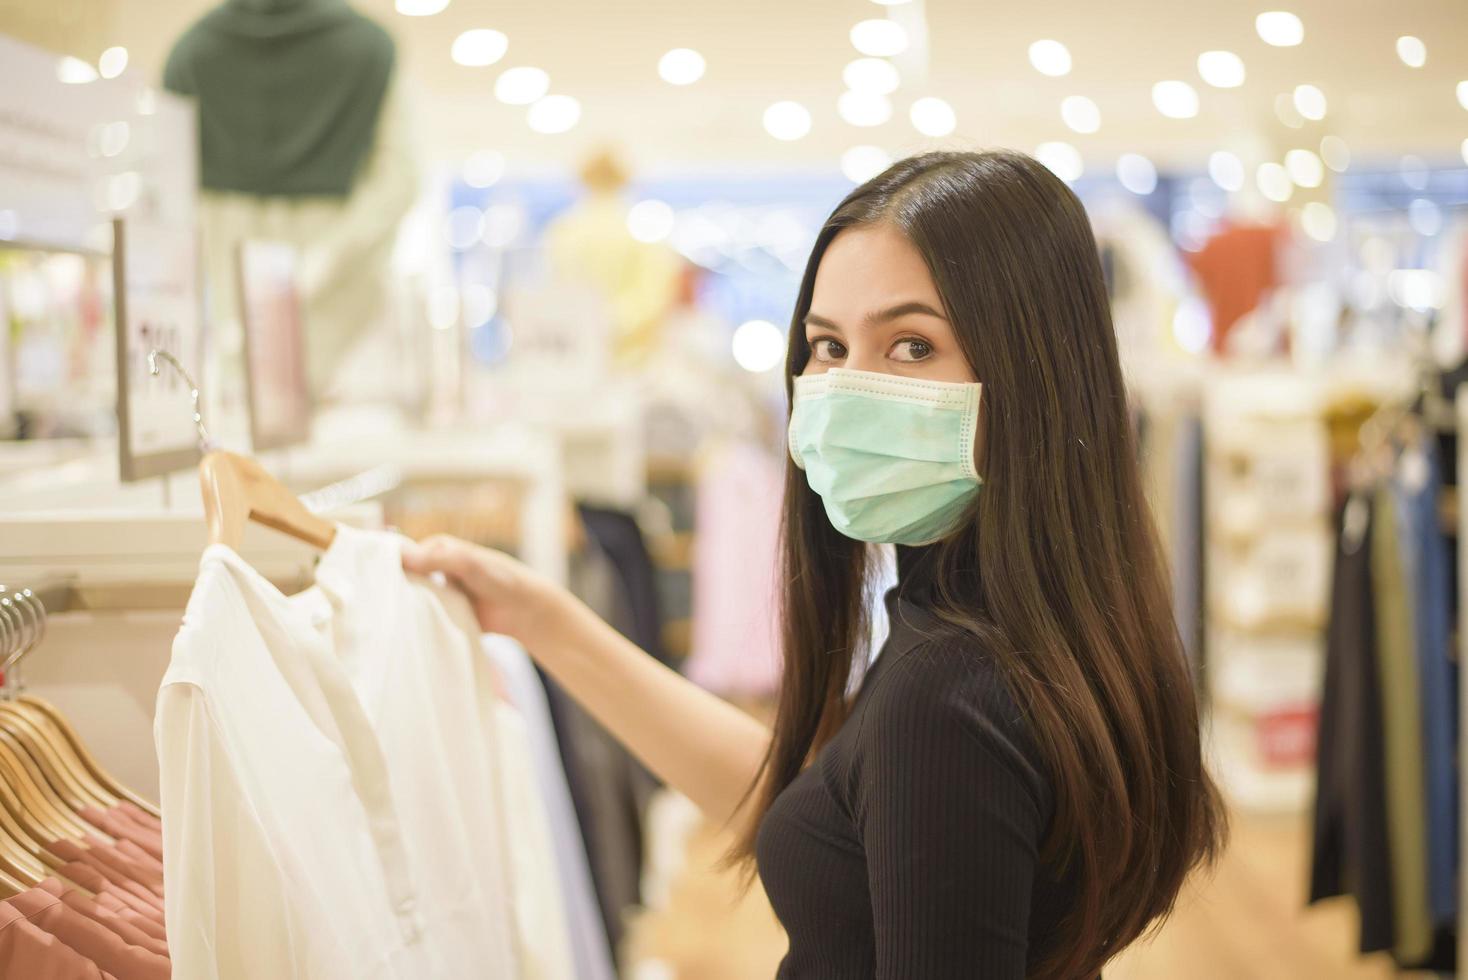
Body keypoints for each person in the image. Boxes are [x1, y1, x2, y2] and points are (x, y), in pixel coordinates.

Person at [405, 150, 1227, 978]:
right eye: (827, 347)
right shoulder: (1010, 636)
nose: (846, 389)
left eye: (911, 346)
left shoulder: (948, 695)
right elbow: (832, 816)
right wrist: (543, 620)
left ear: (1034, 371)